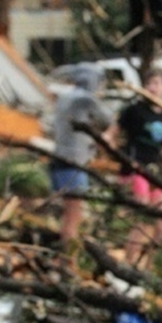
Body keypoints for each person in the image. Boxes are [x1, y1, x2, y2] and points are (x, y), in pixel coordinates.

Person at [115, 67, 162, 267]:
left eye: (157, 83)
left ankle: (148, 264)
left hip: (157, 172)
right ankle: (129, 262)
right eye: (150, 83)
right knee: (142, 218)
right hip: (137, 169)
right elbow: (112, 133)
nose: (153, 88)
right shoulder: (134, 110)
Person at [48, 64, 115, 247]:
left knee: (68, 213)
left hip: (58, 161)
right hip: (74, 164)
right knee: (74, 214)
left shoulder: (65, 97)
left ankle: (63, 254)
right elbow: (107, 118)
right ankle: (67, 259)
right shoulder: (85, 99)